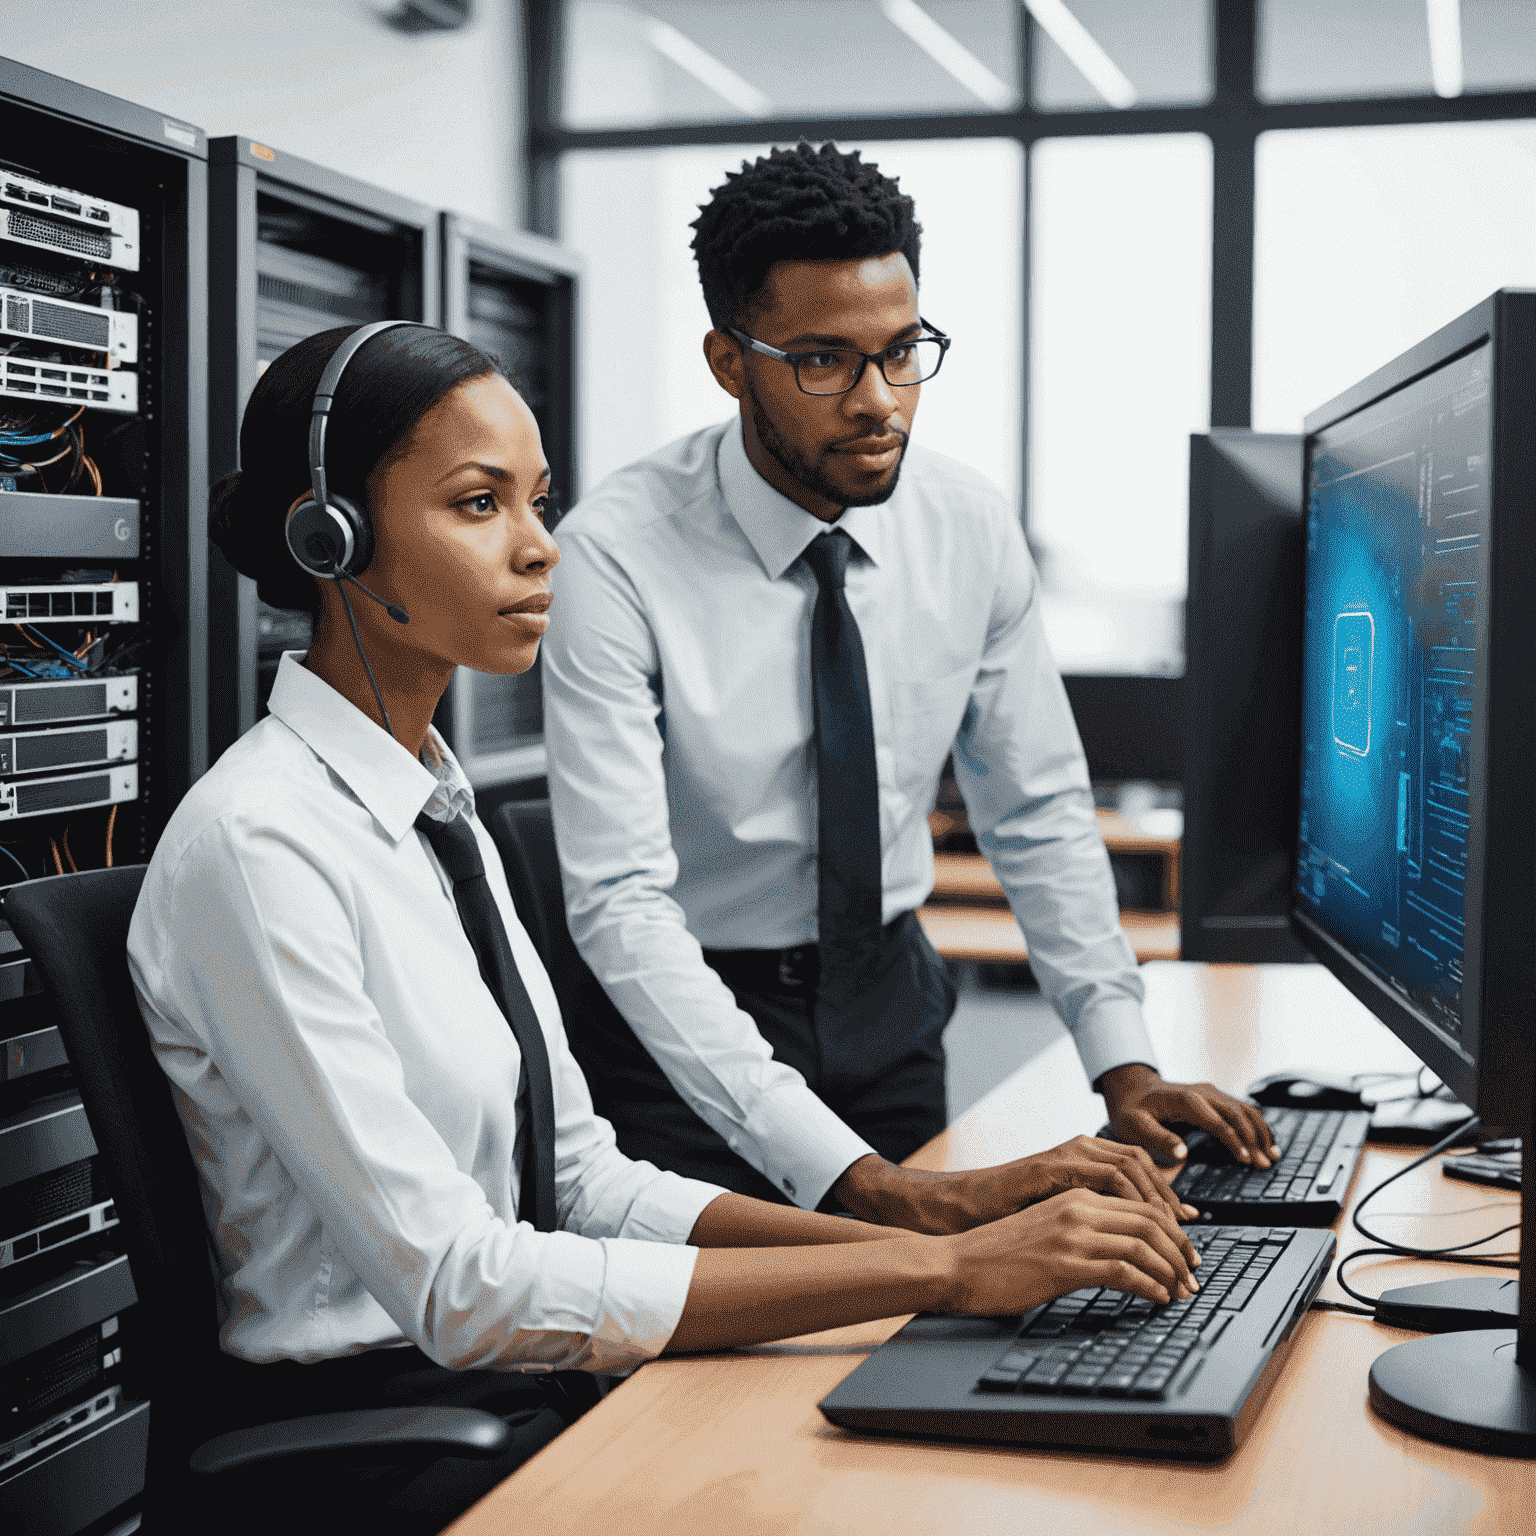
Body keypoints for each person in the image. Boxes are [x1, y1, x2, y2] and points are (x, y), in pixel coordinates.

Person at [128, 323, 1200, 1533]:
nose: (542, 551)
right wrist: (937, 1272)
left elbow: (578, 1178)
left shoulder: (433, 809)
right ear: (330, 537)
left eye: (539, 502)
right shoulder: (260, 849)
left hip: (526, 1382)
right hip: (385, 1449)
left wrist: (918, 1217)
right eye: (480, 506)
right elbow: (460, 1287)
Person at [540, 142, 1278, 1235]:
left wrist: (1122, 1063)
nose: (880, 402)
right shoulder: (612, 555)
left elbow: (1036, 810)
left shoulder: (967, 528)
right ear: (730, 361)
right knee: (705, 1389)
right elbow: (620, 907)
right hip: (686, 1023)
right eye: (824, 362)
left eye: (903, 352)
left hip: (888, 998)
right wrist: (858, 1180)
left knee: (907, 1352)